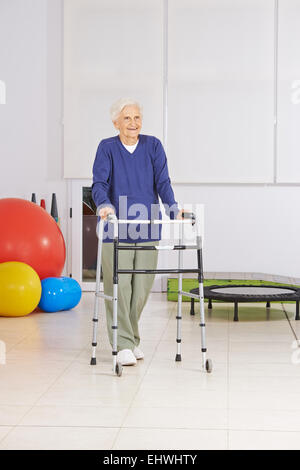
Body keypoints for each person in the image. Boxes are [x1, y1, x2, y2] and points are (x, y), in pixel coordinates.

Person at [92, 98, 186, 366]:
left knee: (141, 287)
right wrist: (105, 206)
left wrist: (173, 209)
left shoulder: (153, 146)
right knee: (119, 286)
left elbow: (163, 182)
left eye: (136, 118)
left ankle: (131, 337)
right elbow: (99, 183)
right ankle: (122, 343)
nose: (133, 123)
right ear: (116, 123)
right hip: (116, 226)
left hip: (147, 225)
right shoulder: (107, 148)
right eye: (126, 118)